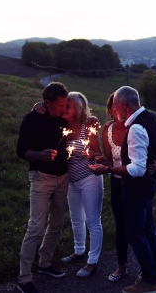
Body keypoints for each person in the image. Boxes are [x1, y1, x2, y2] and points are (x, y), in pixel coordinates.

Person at [90, 86, 156, 293]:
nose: (113, 111)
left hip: (136, 188)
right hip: (150, 184)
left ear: (123, 105)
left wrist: (107, 169)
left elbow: (136, 168)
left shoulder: (135, 127)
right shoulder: (151, 117)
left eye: (114, 106)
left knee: (136, 234)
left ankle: (149, 282)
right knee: (149, 230)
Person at [15, 82, 70, 293]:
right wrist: (40, 155)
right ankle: (24, 278)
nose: (63, 110)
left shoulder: (64, 116)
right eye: (59, 106)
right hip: (41, 177)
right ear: (46, 103)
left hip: (63, 177)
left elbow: (80, 112)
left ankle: (45, 263)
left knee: (56, 223)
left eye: (65, 106)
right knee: (36, 226)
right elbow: (21, 150)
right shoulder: (33, 118)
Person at [58, 92, 104, 278]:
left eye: (68, 106)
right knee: (76, 218)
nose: (64, 109)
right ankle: (79, 251)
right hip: (70, 180)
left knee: (92, 221)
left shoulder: (89, 126)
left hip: (89, 178)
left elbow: (98, 153)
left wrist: (92, 156)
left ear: (77, 110)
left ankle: (92, 262)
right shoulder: (61, 126)